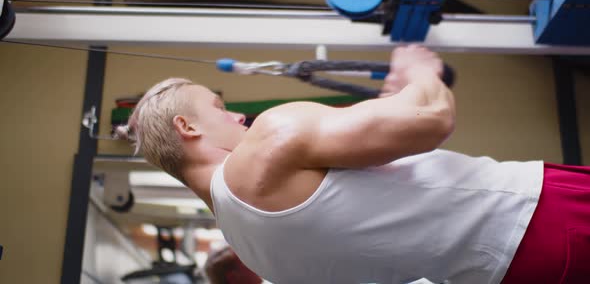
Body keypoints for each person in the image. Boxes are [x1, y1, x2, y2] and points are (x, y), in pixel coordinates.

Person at [116, 45, 590, 283]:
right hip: (538, 215)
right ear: (187, 127)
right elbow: (432, 119)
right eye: (218, 108)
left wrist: (394, 97)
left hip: (504, 272)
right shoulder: (263, 145)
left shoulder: (255, 252)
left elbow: (378, 207)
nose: (237, 115)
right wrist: (420, 68)